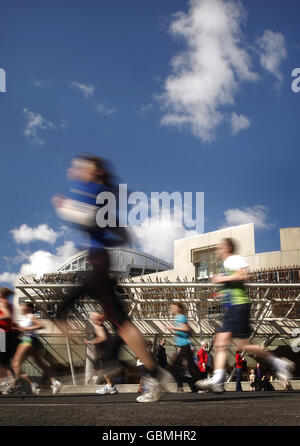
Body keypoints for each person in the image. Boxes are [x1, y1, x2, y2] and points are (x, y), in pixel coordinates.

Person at [53, 154, 172, 403]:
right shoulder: (99, 192)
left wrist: (67, 208)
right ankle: (143, 369)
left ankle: (130, 366)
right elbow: (118, 233)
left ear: (93, 171)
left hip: (98, 261)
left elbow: (90, 219)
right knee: (121, 323)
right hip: (98, 262)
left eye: (79, 166)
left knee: (114, 321)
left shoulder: (92, 189)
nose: (73, 170)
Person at [197, 238, 295, 393]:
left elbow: (242, 275)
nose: (218, 251)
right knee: (244, 346)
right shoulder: (228, 263)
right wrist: (222, 293)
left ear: (228, 247)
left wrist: (222, 278)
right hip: (237, 306)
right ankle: (279, 364)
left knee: (221, 341)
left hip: (237, 306)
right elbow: (236, 284)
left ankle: (217, 379)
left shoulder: (233, 259)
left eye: (220, 248)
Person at [11, 302, 61, 394]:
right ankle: (54, 382)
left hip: (28, 339)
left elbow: (41, 325)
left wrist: (27, 329)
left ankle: (17, 385)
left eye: (23, 306)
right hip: (31, 340)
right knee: (40, 364)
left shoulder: (31, 316)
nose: (21, 308)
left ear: (28, 308)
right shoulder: (24, 318)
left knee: (15, 362)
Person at [84, 312, 122, 395]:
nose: (91, 318)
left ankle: (110, 387)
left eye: (93, 317)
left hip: (107, 351)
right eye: (91, 317)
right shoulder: (100, 326)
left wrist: (90, 341)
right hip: (107, 351)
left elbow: (102, 338)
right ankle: (111, 387)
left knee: (105, 371)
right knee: (106, 371)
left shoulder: (98, 327)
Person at [167, 302, 201, 392]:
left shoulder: (181, 317)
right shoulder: (178, 317)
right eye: (171, 308)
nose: (172, 310)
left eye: (173, 308)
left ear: (179, 309)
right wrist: (176, 336)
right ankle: (193, 384)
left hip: (185, 345)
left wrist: (172, 328)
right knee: (177, 367)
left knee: (190, 368)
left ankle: (200, 382)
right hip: (182, 345)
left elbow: (186, 329)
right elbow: (187, 330)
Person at [0, 288, 19, 388]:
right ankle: (11, 383)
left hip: (2, 334)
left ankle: (6, 383)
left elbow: (6, 315)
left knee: (2, 362)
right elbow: (11, 319)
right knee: (4, 362)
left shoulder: (1, 302)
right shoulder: (9, 303)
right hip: (8, 334)